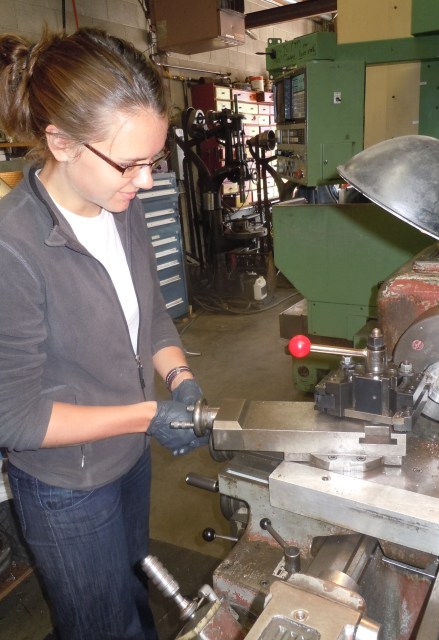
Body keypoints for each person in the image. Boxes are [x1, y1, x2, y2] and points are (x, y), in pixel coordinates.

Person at [0, 27, 207, 640]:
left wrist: (181, 378)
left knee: (133, 595)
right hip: (66, 485)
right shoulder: (14, 248)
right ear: (60, 141)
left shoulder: (124, 207)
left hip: (128, 460)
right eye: (130, 163)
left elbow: (153, 315)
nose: (144, 181)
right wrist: (146, 414)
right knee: (98, 627)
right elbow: (15, 418)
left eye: (154, 161)